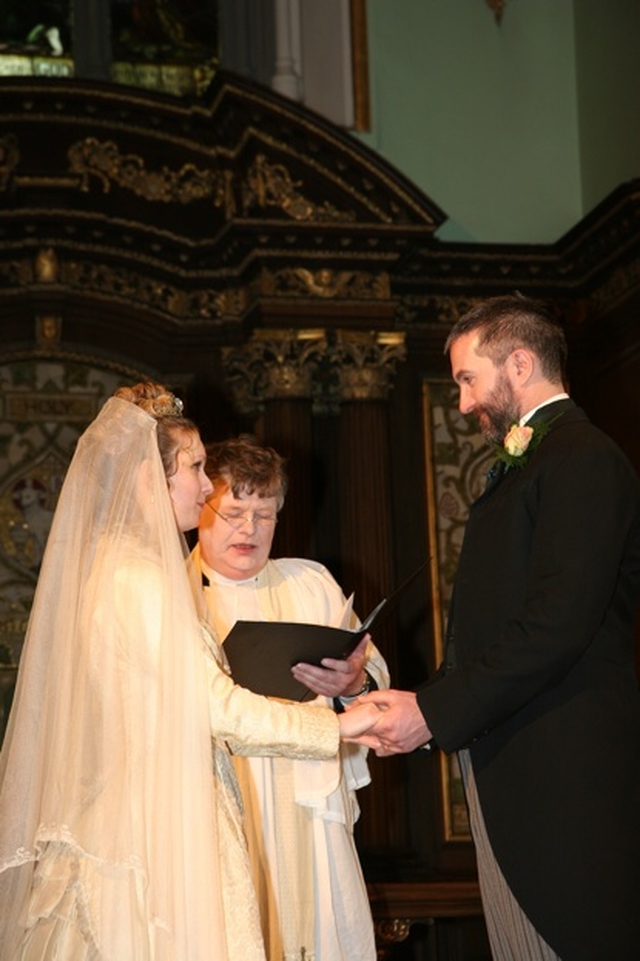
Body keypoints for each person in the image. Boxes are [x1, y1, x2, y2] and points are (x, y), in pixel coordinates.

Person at [0, 383, 378, 961]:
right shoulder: (140, 580)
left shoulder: (127, 570)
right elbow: (216, 707)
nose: (206, 486)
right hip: (156, 825)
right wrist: (343, 729)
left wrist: (356, 691)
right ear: (152, 477)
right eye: (197, 469)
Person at [351, 295, 640, 961]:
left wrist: (434, 710)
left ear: (519, 362)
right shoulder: (535, 459)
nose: (461, 403)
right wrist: (415, 704)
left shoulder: (584, 458)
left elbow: (555, 625)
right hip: (515, 766)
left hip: (563, 781)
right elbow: (499, 628)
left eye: (466, 379)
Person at [192, 436, 389, 961]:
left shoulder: (312, 582)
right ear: (199, 507)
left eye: (265, 514)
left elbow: (373, 677)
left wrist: (352, 683)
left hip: (308, 809)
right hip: (215, 804)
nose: (249, 530)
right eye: (234, 511)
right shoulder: (174, 590)